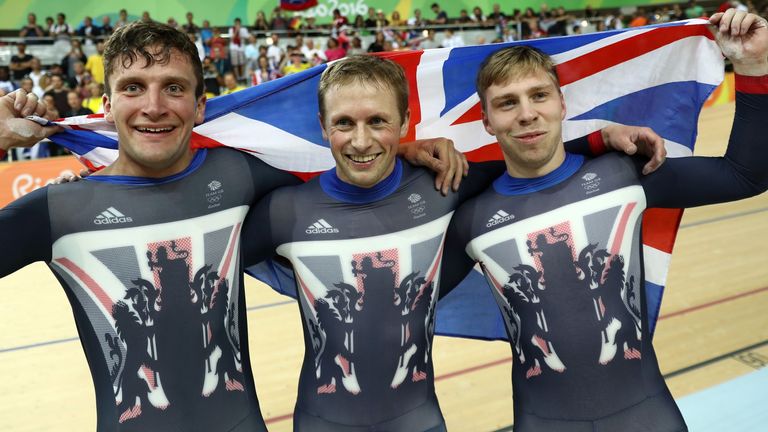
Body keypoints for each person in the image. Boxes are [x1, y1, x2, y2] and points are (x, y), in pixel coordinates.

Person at [0, 20, 472, 432]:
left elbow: (338, 163)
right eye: (133, 87)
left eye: (174, 87)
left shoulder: (236, 175)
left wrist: (401, 154)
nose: (154, 105)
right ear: (106, 105)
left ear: (200, 106)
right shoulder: (59, 209)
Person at [241, 54, 665, 432]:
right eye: (344, 123)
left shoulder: (442, 187)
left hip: (420, 420)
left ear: (404, 122)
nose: (361, 139)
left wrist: (596, 140)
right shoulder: (286, 211)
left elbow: (525, 157)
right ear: (322, 127)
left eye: (378, 122)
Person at [441, 9, 768, 432]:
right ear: (486, 121)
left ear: (562, 103)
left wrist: (754, 65)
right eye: (507, 103)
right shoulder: (472, 219)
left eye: (539, 95)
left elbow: (745, 175)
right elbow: (399, 309)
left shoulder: (625, 174)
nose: (526, 114)